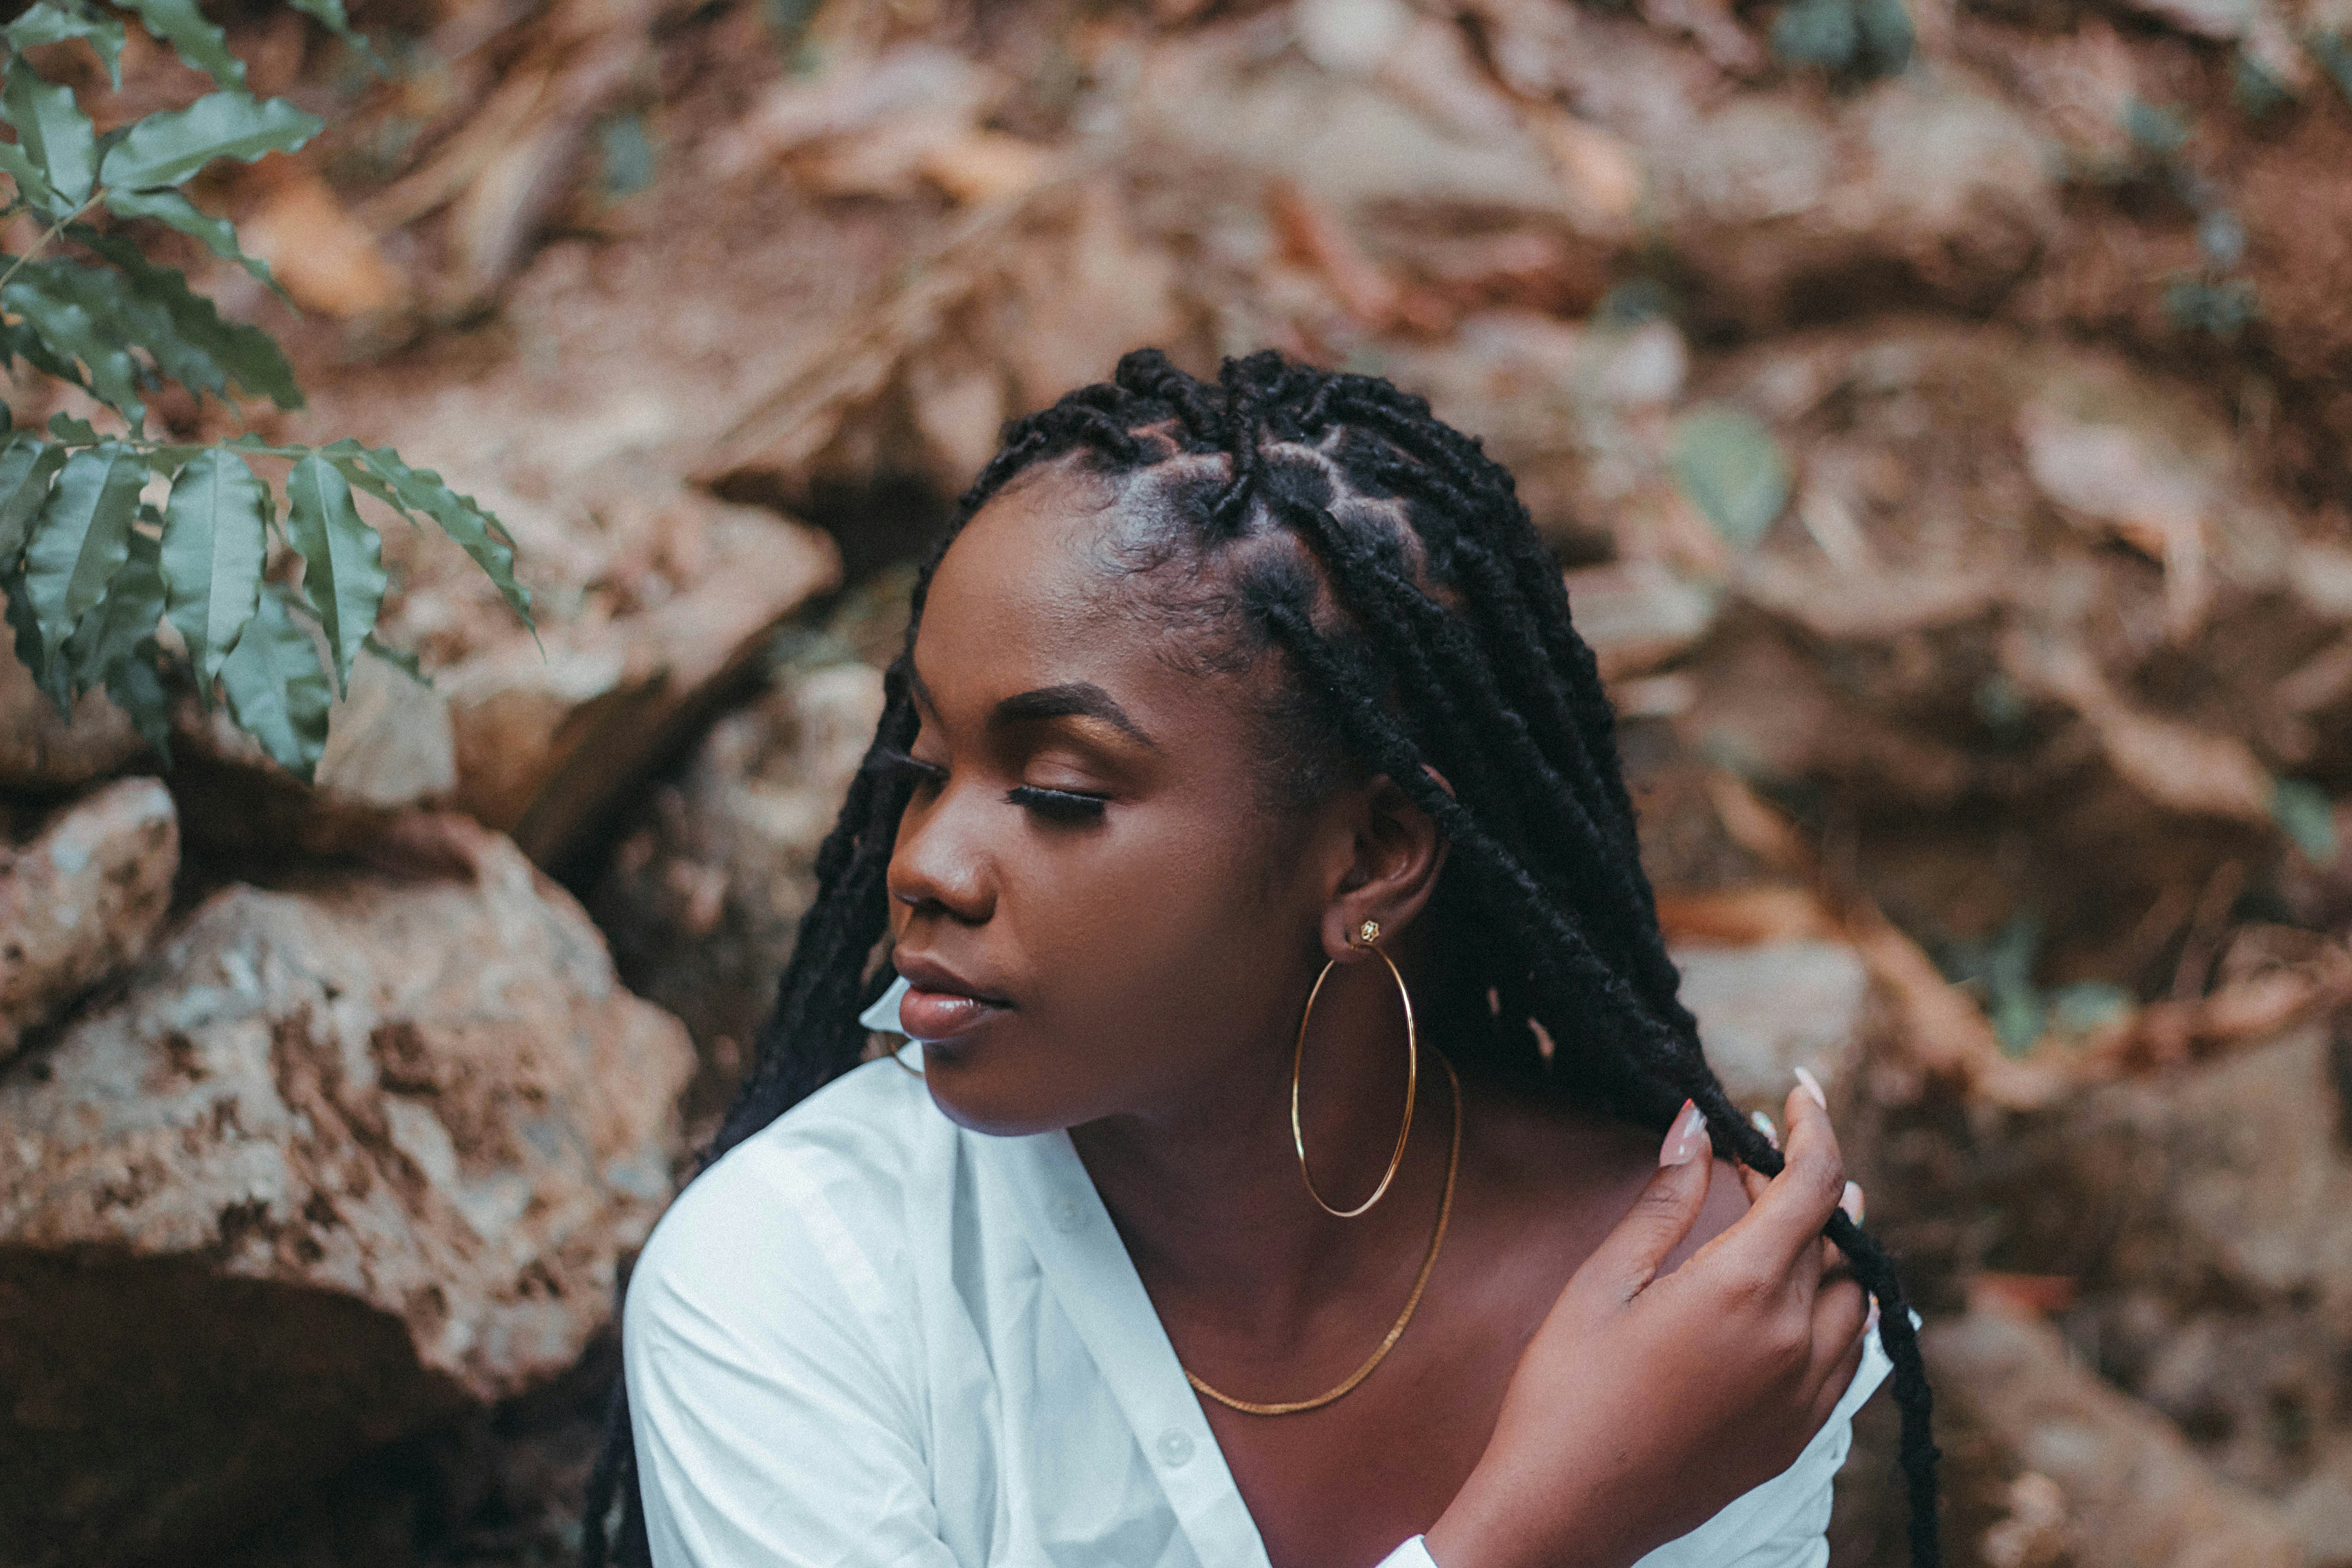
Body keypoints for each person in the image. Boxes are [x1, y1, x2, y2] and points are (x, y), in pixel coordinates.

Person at [587, 351, 1939, 1568]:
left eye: (1059, 790)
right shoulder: (805, 1283)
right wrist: (1538, 1530)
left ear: (1367, 860)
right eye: (923, 767)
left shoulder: (1694, 1310)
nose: (927, 863)